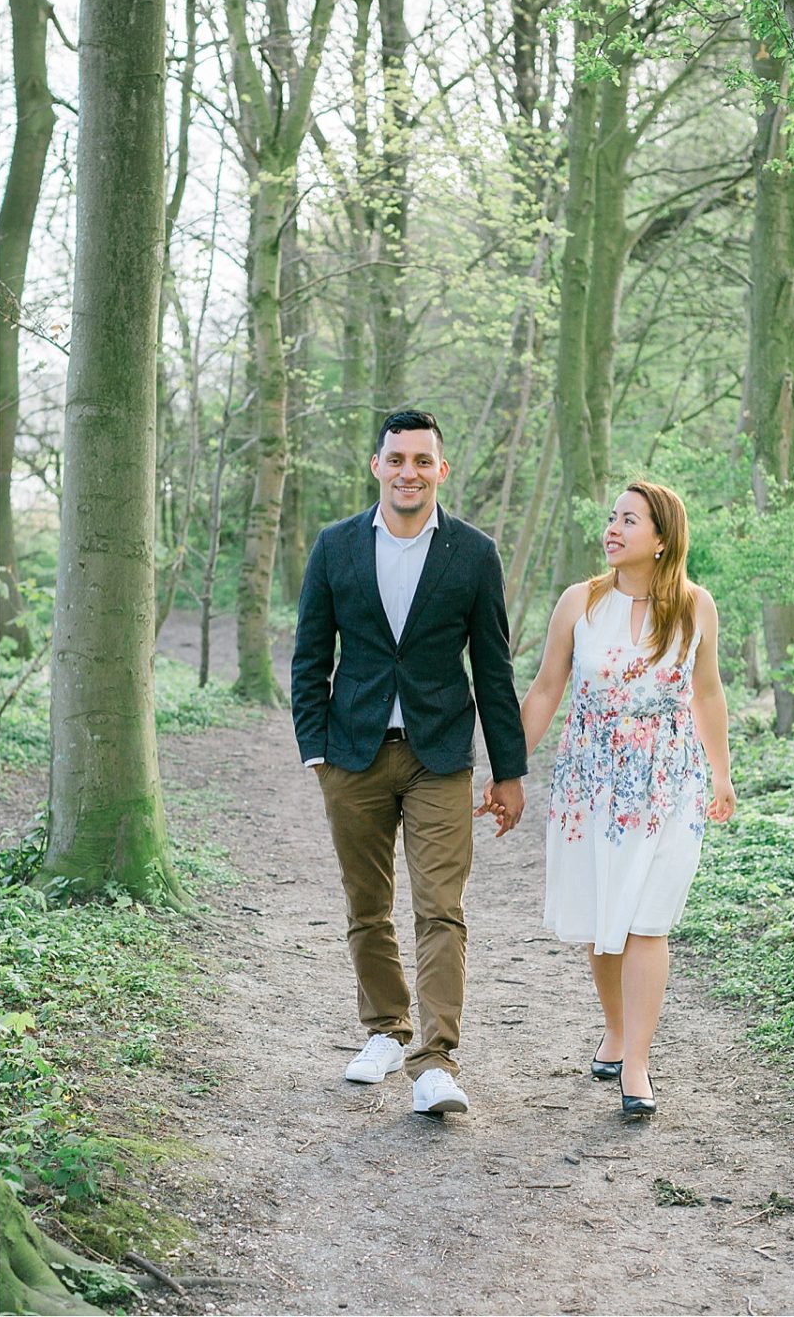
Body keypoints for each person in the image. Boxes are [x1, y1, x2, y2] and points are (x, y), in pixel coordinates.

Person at [291, 409, 528, 1117]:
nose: (409, 472)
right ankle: (385, 1032)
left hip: (439, 756)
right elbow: (310, 656)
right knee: (367, 907)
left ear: (440, 471)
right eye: (397, 459)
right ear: (377, 466)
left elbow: (494, 669)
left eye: (422, 461)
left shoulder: (473, 553)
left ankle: (436, 1060)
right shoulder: (335, 547)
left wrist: (508, 770)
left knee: (440, 910)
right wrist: (316, 751)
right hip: (352, 754)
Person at [515, 479, 736, 1120]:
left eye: (629, 520)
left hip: (670, 787)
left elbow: (709, 693)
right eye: (611, 517)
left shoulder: (695, 607)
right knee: (604, 920)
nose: (612, 529)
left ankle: (635, 1061)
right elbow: (546, 688)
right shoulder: (579, 602)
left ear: (661, 539)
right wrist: (509, 768)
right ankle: (615, 1027)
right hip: (592, 788)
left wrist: (721, 774)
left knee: (648, 922)